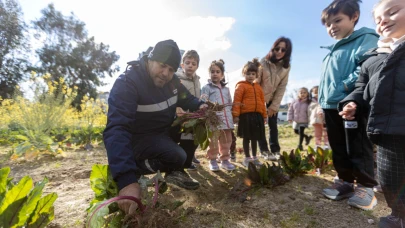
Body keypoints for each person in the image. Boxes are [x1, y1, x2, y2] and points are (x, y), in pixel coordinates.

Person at [103, 40, 206, 214]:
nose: (166, 74)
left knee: (186, 131)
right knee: (177, 155)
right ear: (151, 59)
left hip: (159, 134)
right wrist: (126, 180)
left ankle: (174, 170)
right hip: (137, 139)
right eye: (162, 66)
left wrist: (201, 105)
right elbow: (117, 129)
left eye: (171, 69)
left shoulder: (173, 82)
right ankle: (130, 169)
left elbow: (186, 98)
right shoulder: (128, 83)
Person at [339, 0, 405, 226]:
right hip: (387, 130)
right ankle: (399, 215)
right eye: (377, 20)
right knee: (390, 177)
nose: (383, 20)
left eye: (393, 11)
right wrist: (352, 103)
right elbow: (361, 87)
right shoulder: (373, 58)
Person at [319, 0, 379, 210]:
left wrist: (346, 88)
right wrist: (323, 102)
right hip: (331, 105)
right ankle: (345, 182)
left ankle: (366, 187)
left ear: (354, 17)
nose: (332, 27)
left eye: (337, 20)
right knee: (337, 146)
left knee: (357, 145)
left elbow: (366, 68)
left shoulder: (365, 38)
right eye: (328, 24)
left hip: (352, 102)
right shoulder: (331, 51)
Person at [256, 37, 292, 161]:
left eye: (283, 50)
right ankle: (264, 150)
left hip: (273, 98)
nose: (279, 52)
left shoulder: (286, 67)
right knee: (260, 125)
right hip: (260, 97)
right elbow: (256, 83)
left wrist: (274, 106)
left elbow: (282, 87)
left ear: (287, 52)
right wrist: (259, 103)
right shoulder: (263, 62)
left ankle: (275, 150)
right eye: (277, 48)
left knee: (273, 125)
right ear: (273, 48)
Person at [201, 60, 235, 171]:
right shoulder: (207, 88)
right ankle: (213, 159)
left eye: (218, 71)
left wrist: (230, 116)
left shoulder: (226, 89)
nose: (215, 74)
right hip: (214, 120)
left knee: (227, 140)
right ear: (209, 74)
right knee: (214, 141)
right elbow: (203, 101)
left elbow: (229, 103)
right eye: (212, 71)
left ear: (222, 74)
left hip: (226, 120)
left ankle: (225, 160)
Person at [232, 58, 267, 167]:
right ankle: (247, 158)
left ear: (256, 75)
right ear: (244, 73)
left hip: (257, 116)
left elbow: (262, 102)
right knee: (247, 138)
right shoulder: (241, 86)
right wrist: (236, 115)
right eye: (248, 73)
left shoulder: (258, 87)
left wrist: (264, 115)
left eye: (253, 74)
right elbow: (237, 101)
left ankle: (255, 158)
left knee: (255, 138)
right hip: (245, 116)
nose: (251, 76)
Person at [171, 50, 202, 171]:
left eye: (193, 64)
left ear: (197, 66)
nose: (190, 65)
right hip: (180, 117)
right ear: (182, 65)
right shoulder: (177, 79)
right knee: (179, 139)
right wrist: (177, 109)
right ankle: (177, 165)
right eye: (187, 63)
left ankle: (187, 162)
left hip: (194, 116)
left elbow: (196, 97)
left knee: (192, 141)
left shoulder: (197, 80)